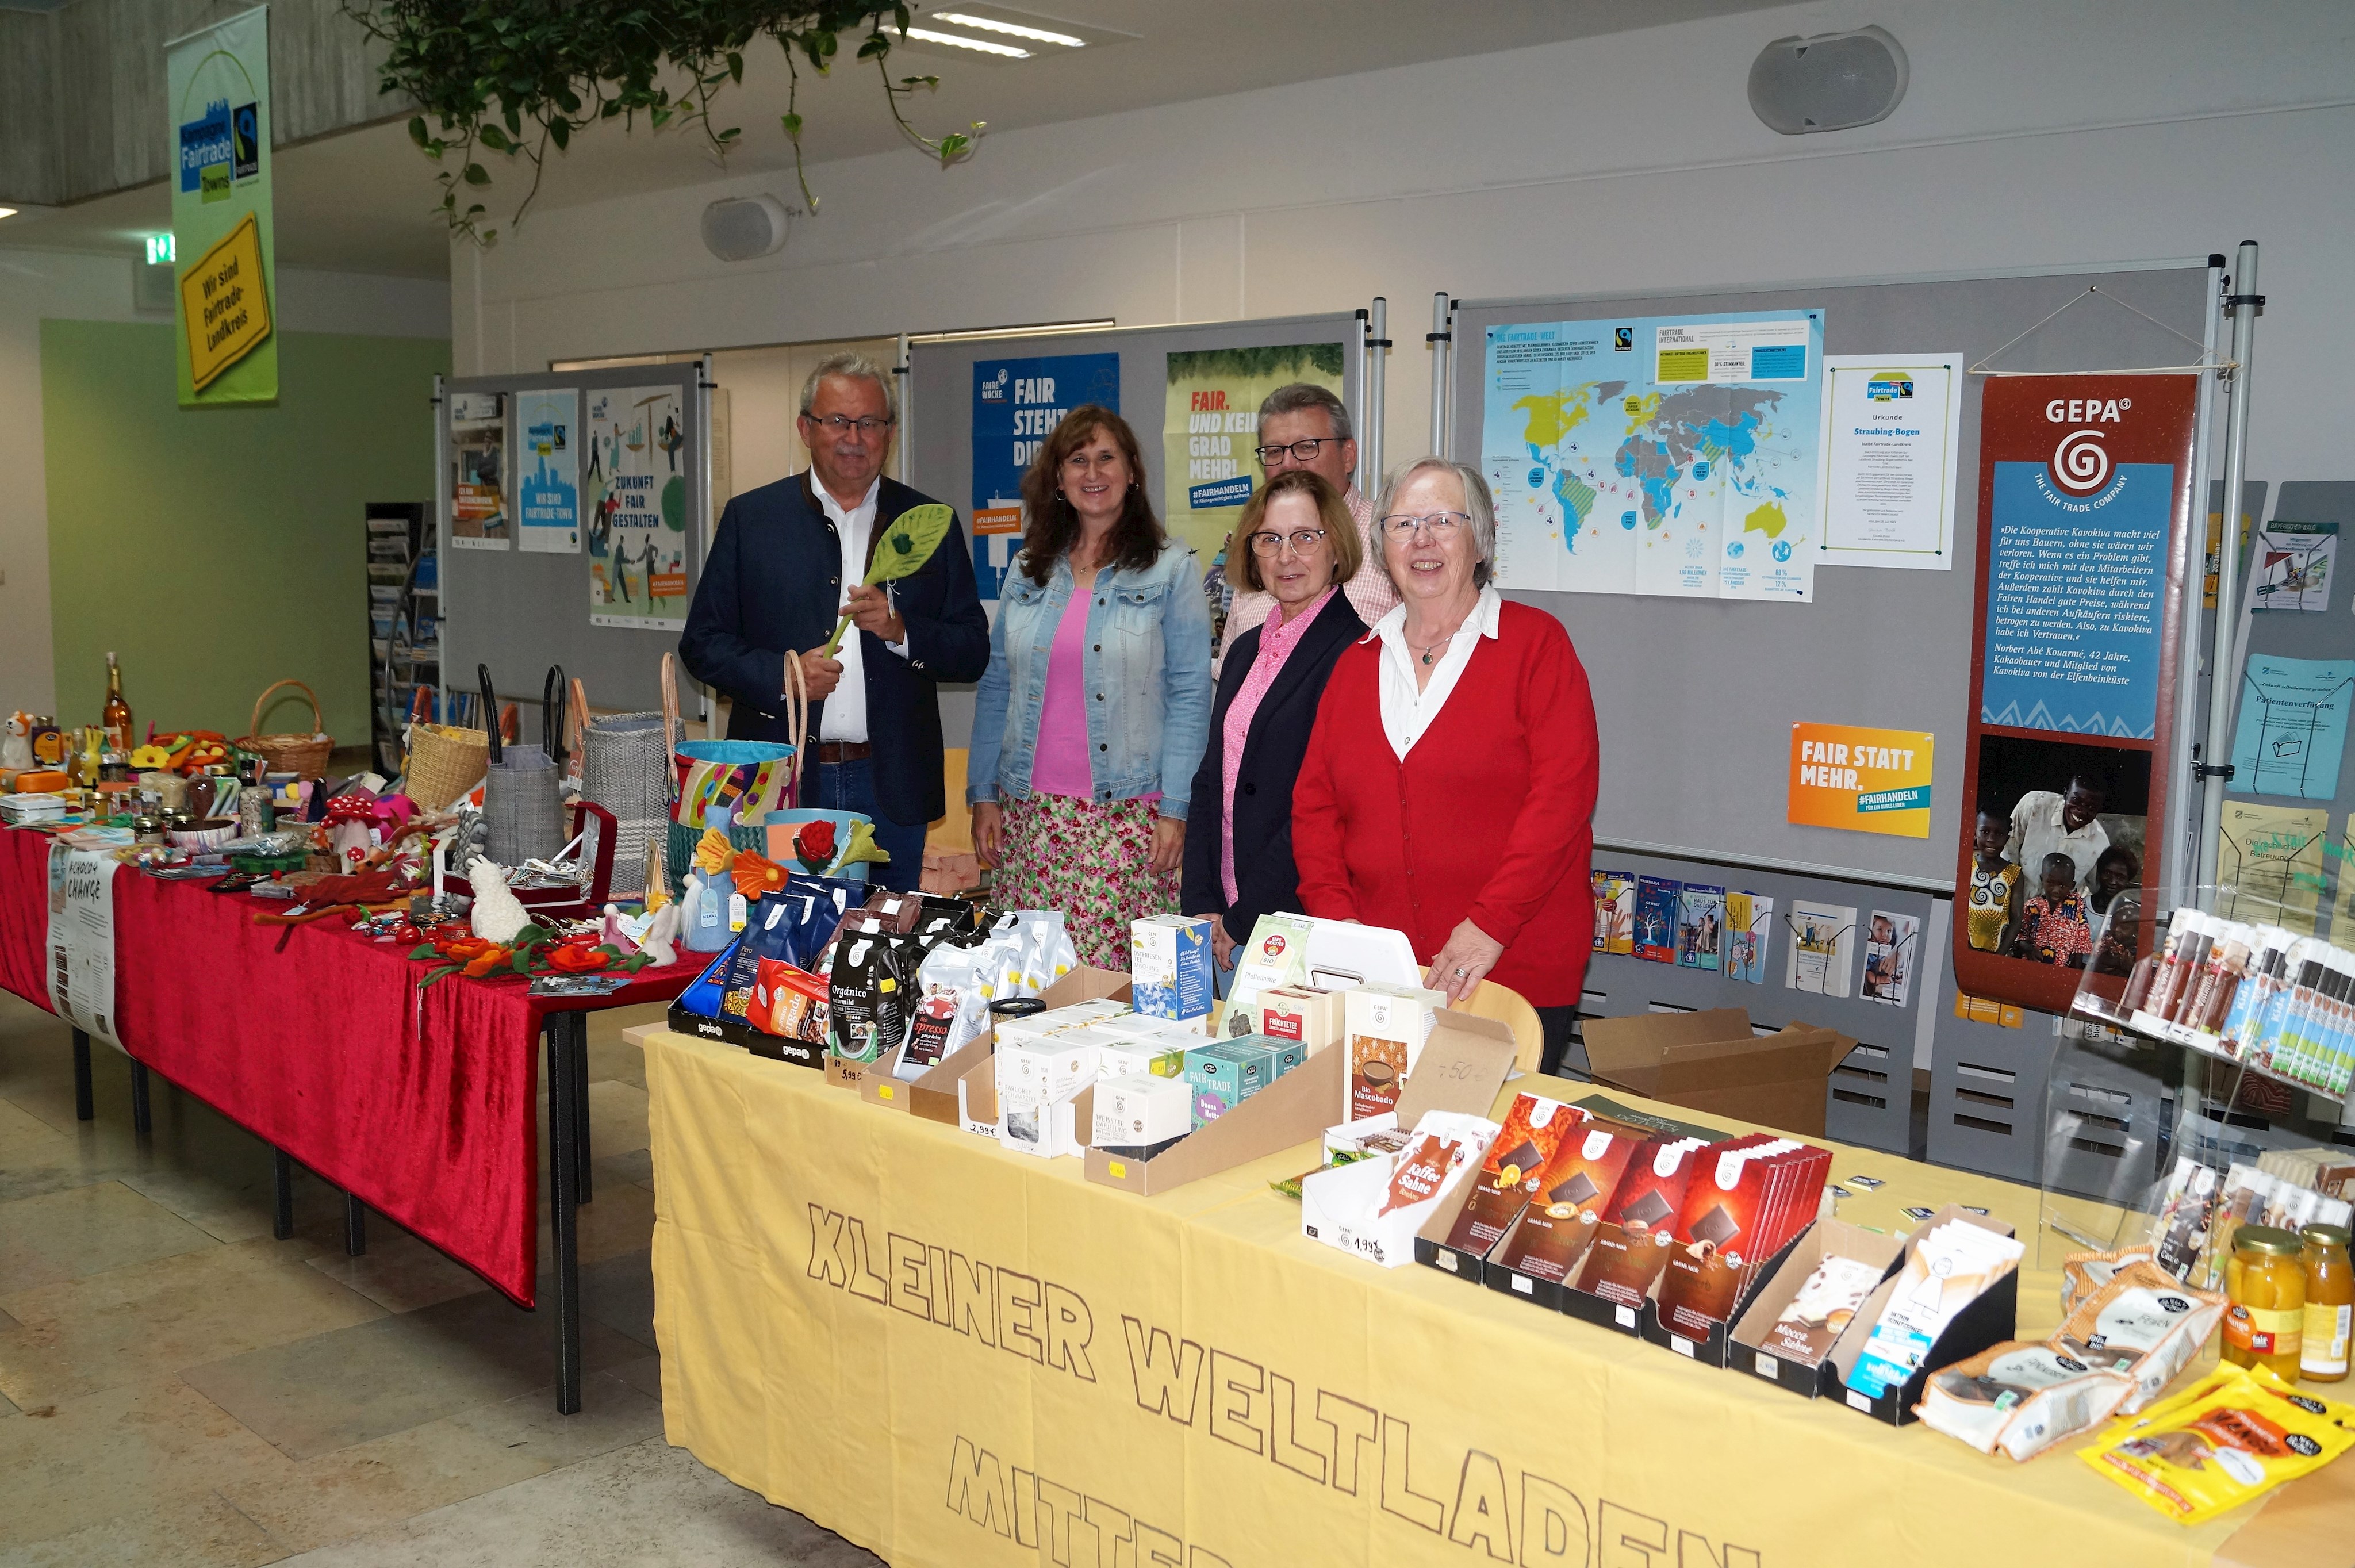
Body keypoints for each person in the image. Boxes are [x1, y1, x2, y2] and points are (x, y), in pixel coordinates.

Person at [1291, 456, 1600, 1075]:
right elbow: (1314, 809)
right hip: (1384, 980)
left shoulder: (1537, 646)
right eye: (1403, 524)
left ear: (1480, 539)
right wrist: (1345, 933)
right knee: (1386, 1144)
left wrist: (1489, 926)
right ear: (1381, 546)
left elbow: (1561, 799)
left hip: (1511, 966)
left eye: (1443, 521)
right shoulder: (1356, 664)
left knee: (1483, 1157)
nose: (1422, 540)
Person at [680, 352, 988, 893]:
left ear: (890, 432)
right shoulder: (752, 519)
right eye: (838, 422)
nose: (854, 437)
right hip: (784, 781)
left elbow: (970, 648)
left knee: (883, 950)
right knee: (786, 942)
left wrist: (902, 632)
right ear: (805, 428)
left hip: (892, 785)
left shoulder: (927, 524)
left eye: (870, 423)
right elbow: (702, 644)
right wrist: (784, 676)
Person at [969, 406, 1213, 971]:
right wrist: (983, 794)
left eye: (1106, 457)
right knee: (1031, 986)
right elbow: (996, 684)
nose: (1092, 472)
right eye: (1077, 460)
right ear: (1057, 478)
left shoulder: (1170, 570)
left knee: (1114, 995)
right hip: (1032, 820)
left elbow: (1190, 695)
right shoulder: (1029, 567)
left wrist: (1176, 810)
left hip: (1127, 822)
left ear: (1132, 471)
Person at [1180, 470, 1368, 973]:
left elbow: (1323, 809)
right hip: (1220, 921)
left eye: (1306, 537)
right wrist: (1202, 906)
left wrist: (1243, 918)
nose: (1287, 556)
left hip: (1293, 923)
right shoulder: (1244, 651)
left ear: (1336, 547)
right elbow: (1210, 781)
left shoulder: (1358, 653)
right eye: (1270, 539)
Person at [1219, 384, 1398, 655]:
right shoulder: (1259, 544)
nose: (1289, 464)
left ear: (1348, 456)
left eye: (1306, 447)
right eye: (1275, 451)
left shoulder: (1392, 537)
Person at [2006, 775, 2109, 893]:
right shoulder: (2034, 806)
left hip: (2060, 910)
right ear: (2066, 794)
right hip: (2015, 898)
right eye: (2076, 800)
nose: (2081, 811)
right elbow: (2008, 849)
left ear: (2099, 809)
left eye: (2091, 807)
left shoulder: (2100, 844)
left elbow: (2097, 888)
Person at [2012, 852, 2093, 968]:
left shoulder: (2075, 905)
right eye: (2050, 883)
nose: (2056, 890)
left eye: (2062, 886)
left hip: (2063, 971)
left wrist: (2076, 972)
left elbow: (2081, 939)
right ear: (2042, 879)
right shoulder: (2033, 906)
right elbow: (2019, 936)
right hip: (2032, 966)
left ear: (2072, 885)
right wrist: (2028, 949)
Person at [1965, 807, 2021, 954]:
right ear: (1975, 832)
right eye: (1985, 832)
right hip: (1962, 949)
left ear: (2007, 838)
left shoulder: (2014, 873)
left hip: (1996, 952)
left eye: (1999, 834)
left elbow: (2016, 919)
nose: (1991, 839)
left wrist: (1999, 955)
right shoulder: (1966, 866)